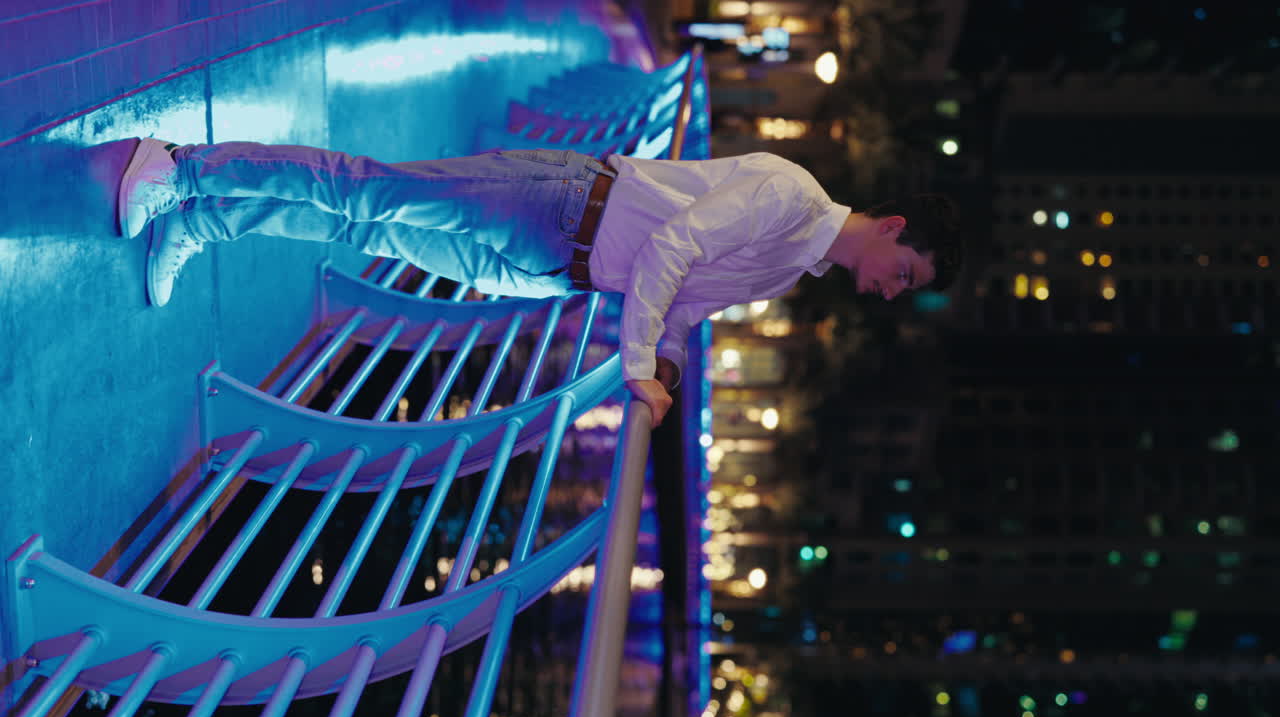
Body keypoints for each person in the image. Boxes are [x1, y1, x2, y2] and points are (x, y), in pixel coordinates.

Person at [117, 139, 964, 428]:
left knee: (363, 229)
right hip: (559, 202)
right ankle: (182, 168)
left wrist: (666, 367)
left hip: (557, 271)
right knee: (368, 191)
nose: (892, 291)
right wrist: (638, 363)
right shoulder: (790, 196)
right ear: (892, 228)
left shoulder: (790, 270)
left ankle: (201, 223)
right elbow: (671, 249)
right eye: (905, 274)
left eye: (906, 290)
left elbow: (682, 307)